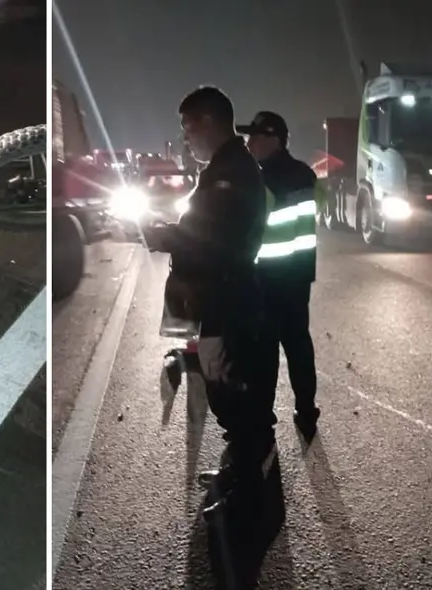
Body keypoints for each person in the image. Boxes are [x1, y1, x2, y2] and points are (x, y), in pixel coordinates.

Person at [144, 86, 277, 488]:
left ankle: (245, 487)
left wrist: (162, 236)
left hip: (228, 296)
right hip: (230, 293)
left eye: (187, 127)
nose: (185, 137)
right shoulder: (230, 166)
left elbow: (211, 238)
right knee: (232, 387)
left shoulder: (230, 172)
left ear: (206, 122)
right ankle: (246, 470)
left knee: (229, 388)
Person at [237, 111, 322, 438]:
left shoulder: (262, 180)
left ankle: (263, 416)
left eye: (255, 138)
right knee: (299, 343)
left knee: (266, 350)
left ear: (273, 139)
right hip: (299, 274)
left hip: (269, 277)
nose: (250, 143)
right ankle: (306, 410)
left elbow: (251, 230)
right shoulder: (304, 174)